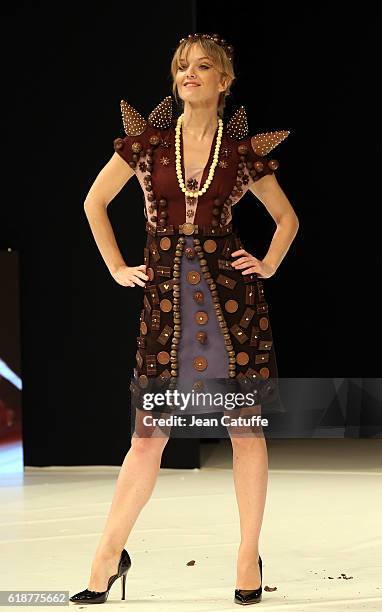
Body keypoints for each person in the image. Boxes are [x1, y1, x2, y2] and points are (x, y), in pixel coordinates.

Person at [70, 33, 299, 605]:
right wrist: (118, 267)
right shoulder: (147, 146)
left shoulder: (242, 153)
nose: (188, 74)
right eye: (181, 67)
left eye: (202, 67)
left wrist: (267, 263)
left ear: (224, 82)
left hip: (231, 307)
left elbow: (286, 218)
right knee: (148, 438)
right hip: (167, 307)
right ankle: (106, 555)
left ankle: (248, 555)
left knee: (245, 432)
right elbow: (93, 203)